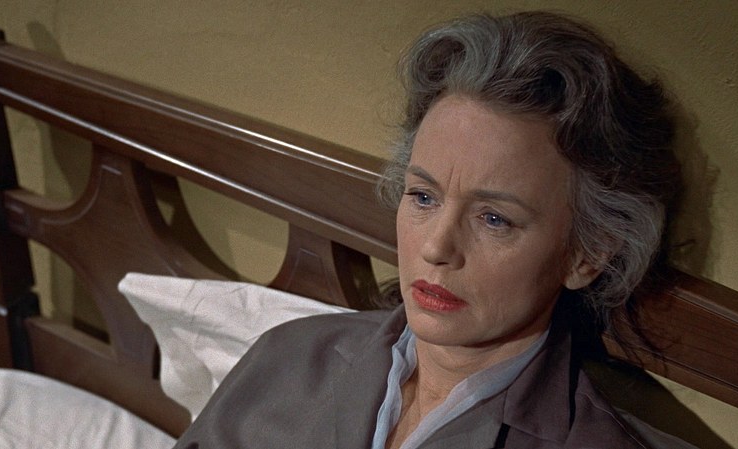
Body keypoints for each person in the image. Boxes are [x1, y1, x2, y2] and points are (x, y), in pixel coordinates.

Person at [173, 11, 684, 449]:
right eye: (423, 196)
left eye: (494, 219)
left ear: (587, 254)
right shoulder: (290, 356)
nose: (437, 247)